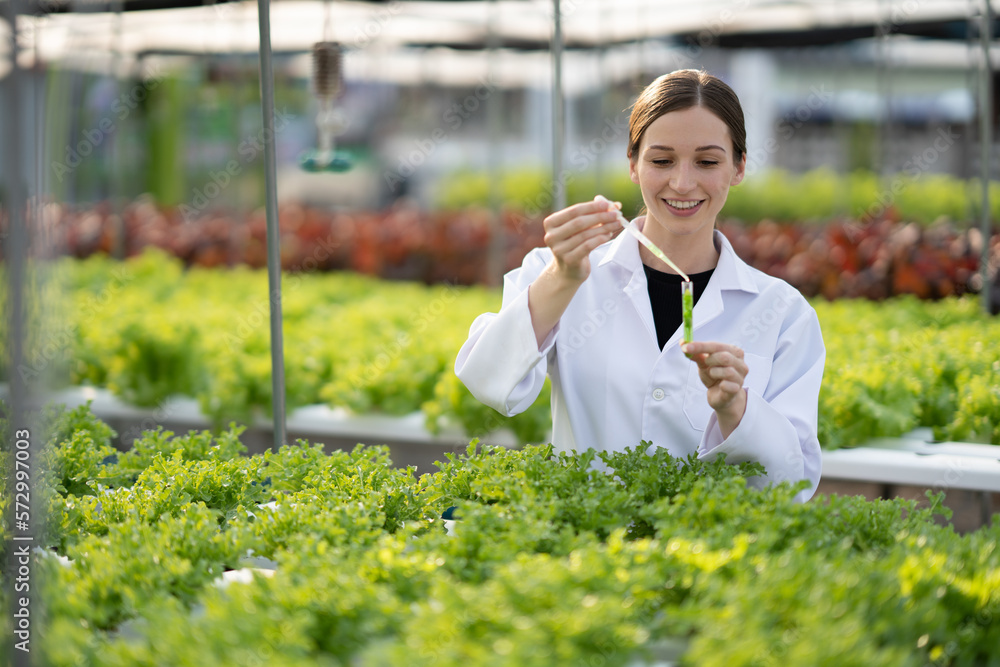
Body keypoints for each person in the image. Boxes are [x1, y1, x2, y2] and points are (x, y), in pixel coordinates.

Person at [455, 69, 825, 502]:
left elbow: (792, 485)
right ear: (633, 164)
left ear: (739, 166)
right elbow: (488, 382)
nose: (682, 183)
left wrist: (736, 410)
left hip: (709, 558)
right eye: (661, 160)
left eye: (707, 162)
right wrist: (561, 279)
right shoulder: (560, 272)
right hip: (586, 550)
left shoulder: (782, 312)